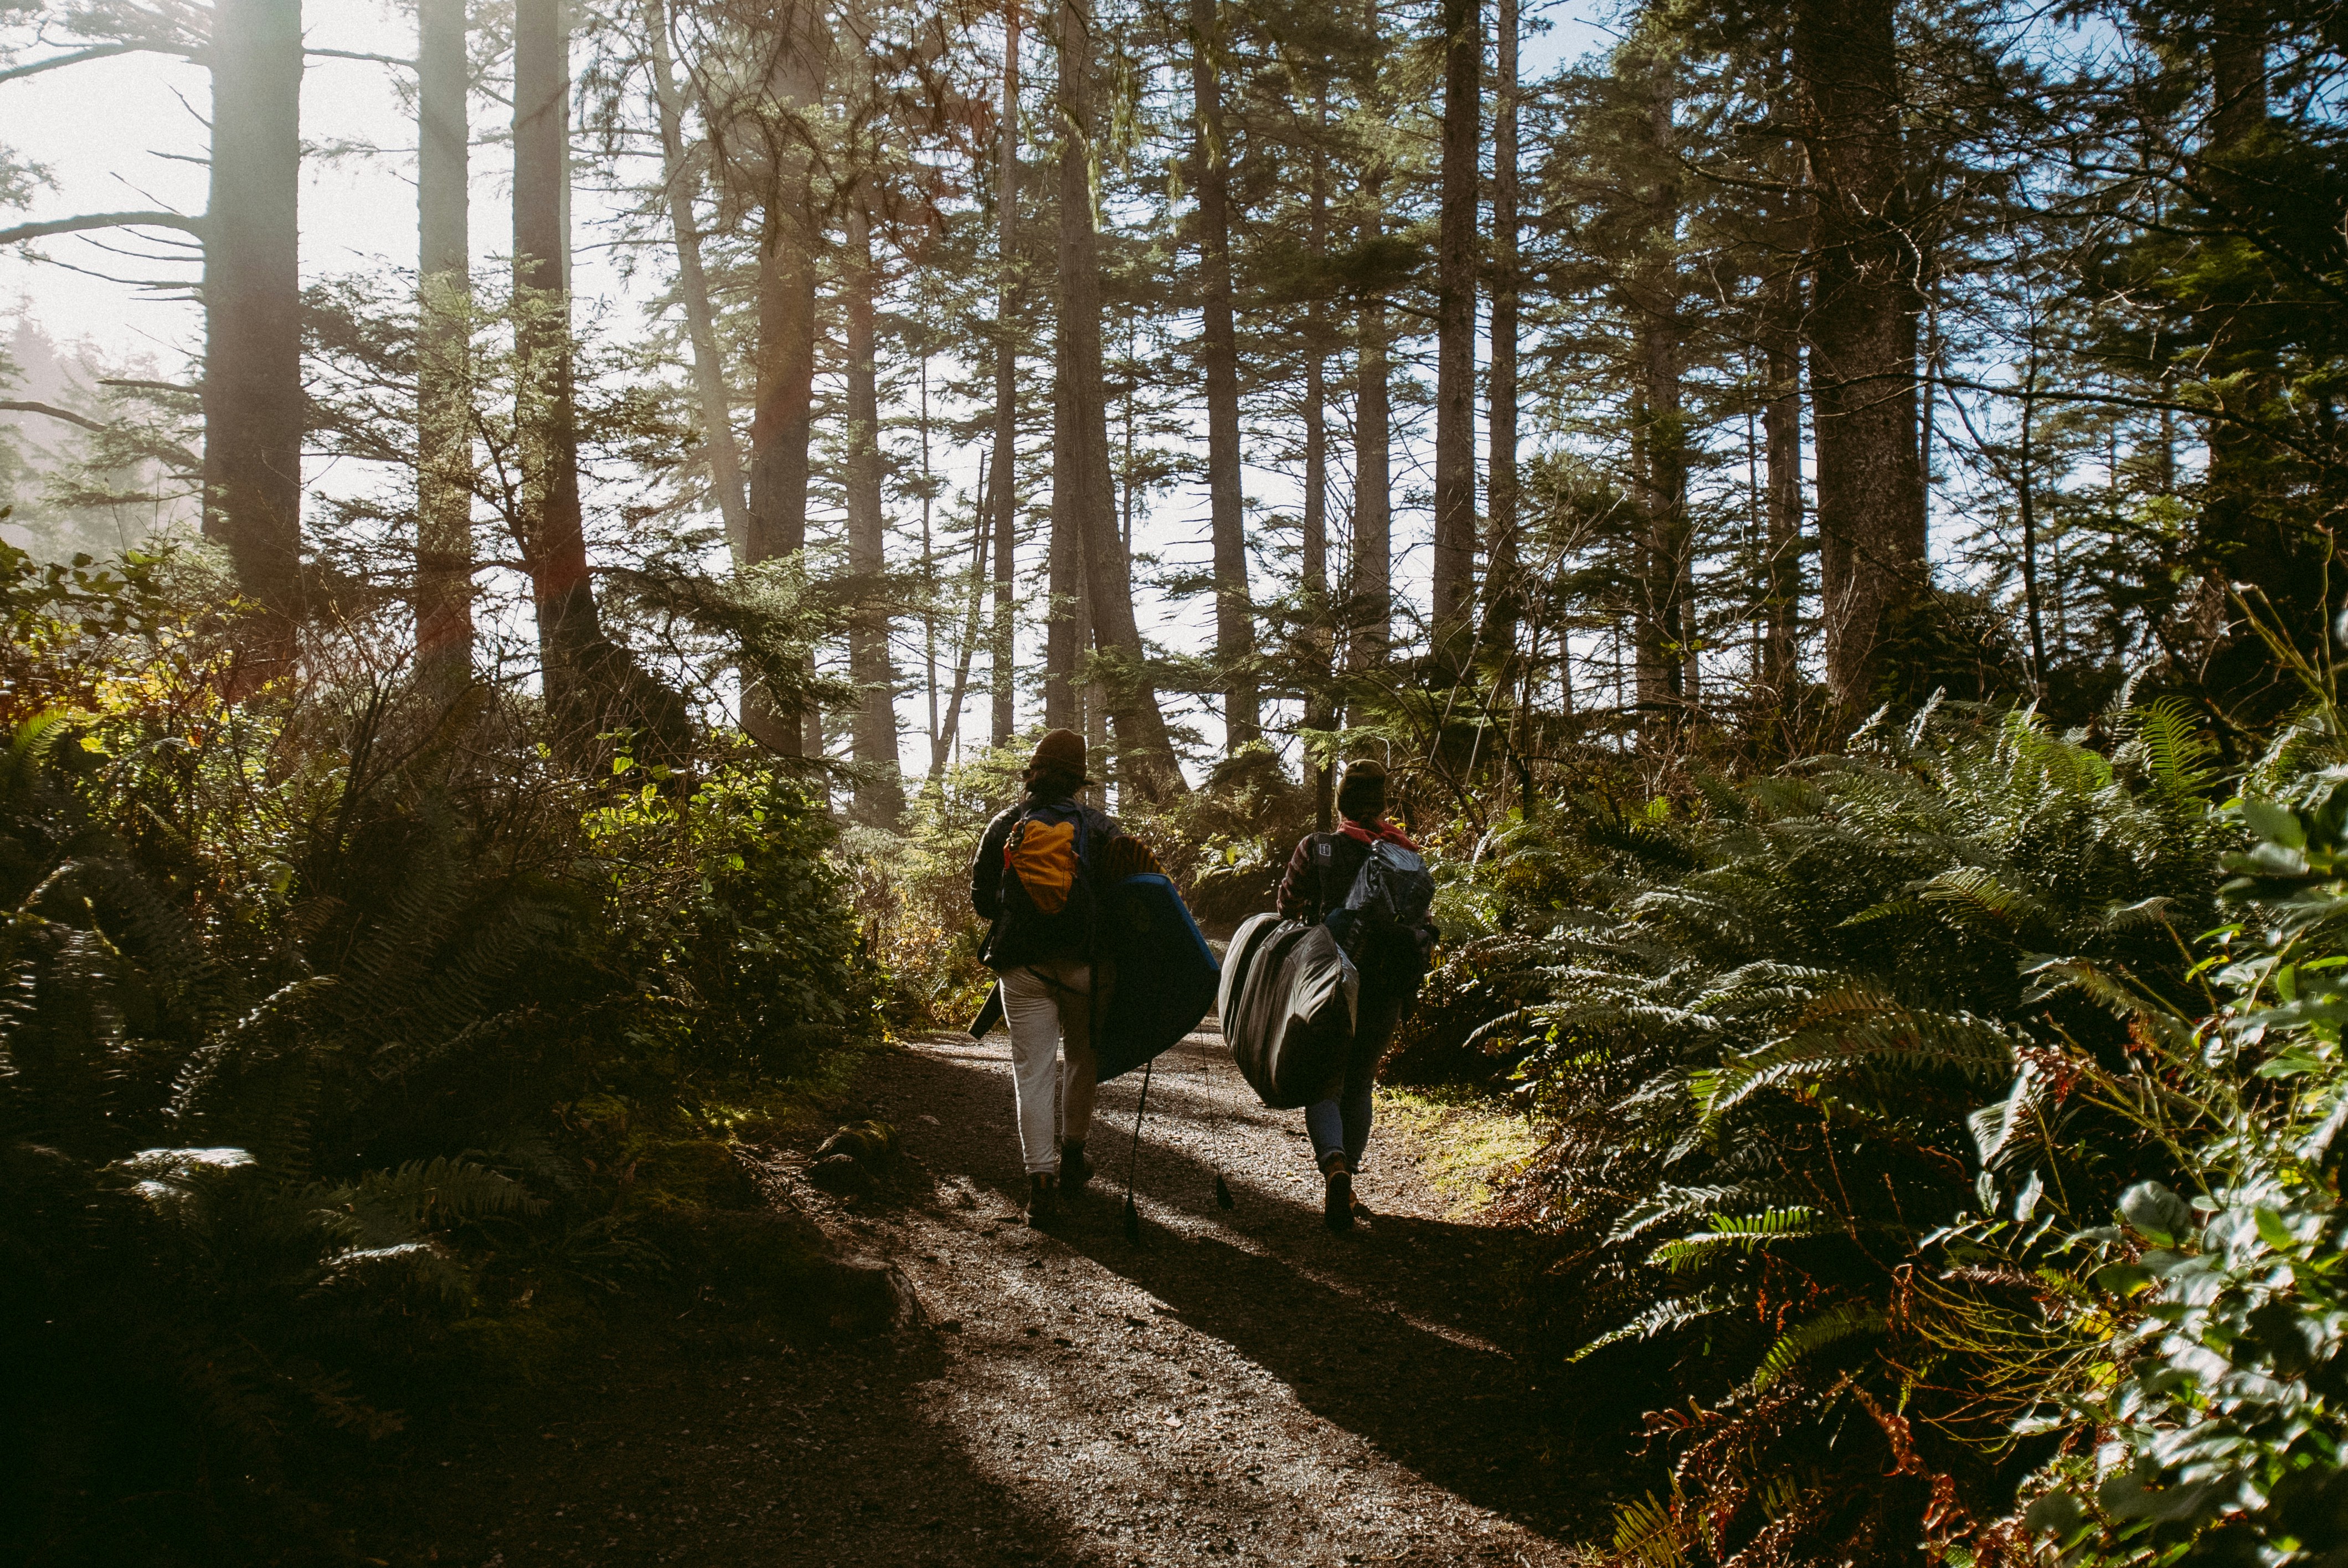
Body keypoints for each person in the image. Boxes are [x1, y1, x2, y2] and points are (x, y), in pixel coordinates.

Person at [971, 728, 1132, 1226]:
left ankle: (1040, 1183)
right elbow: (1132, 900)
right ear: (1077, 781)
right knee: (1083, 1059)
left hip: (1020, 967)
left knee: (1032, 1073)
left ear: (1034, 773)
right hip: (1085, 966)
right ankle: (1075, 1157)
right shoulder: (1101, 827)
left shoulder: (1006, 823)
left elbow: (981, 902)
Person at [1275, 759, 1438, 1233]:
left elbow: (1286, 906)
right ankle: (1352, 1175)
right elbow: (1421, 921)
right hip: (1387, 983)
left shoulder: (1317, 847)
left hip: (1330, 982)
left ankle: (1335, 1166)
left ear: (1342, 801)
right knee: (1361, 1082)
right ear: (1383, 803)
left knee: (1325, 1079)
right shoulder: (1408, 855)